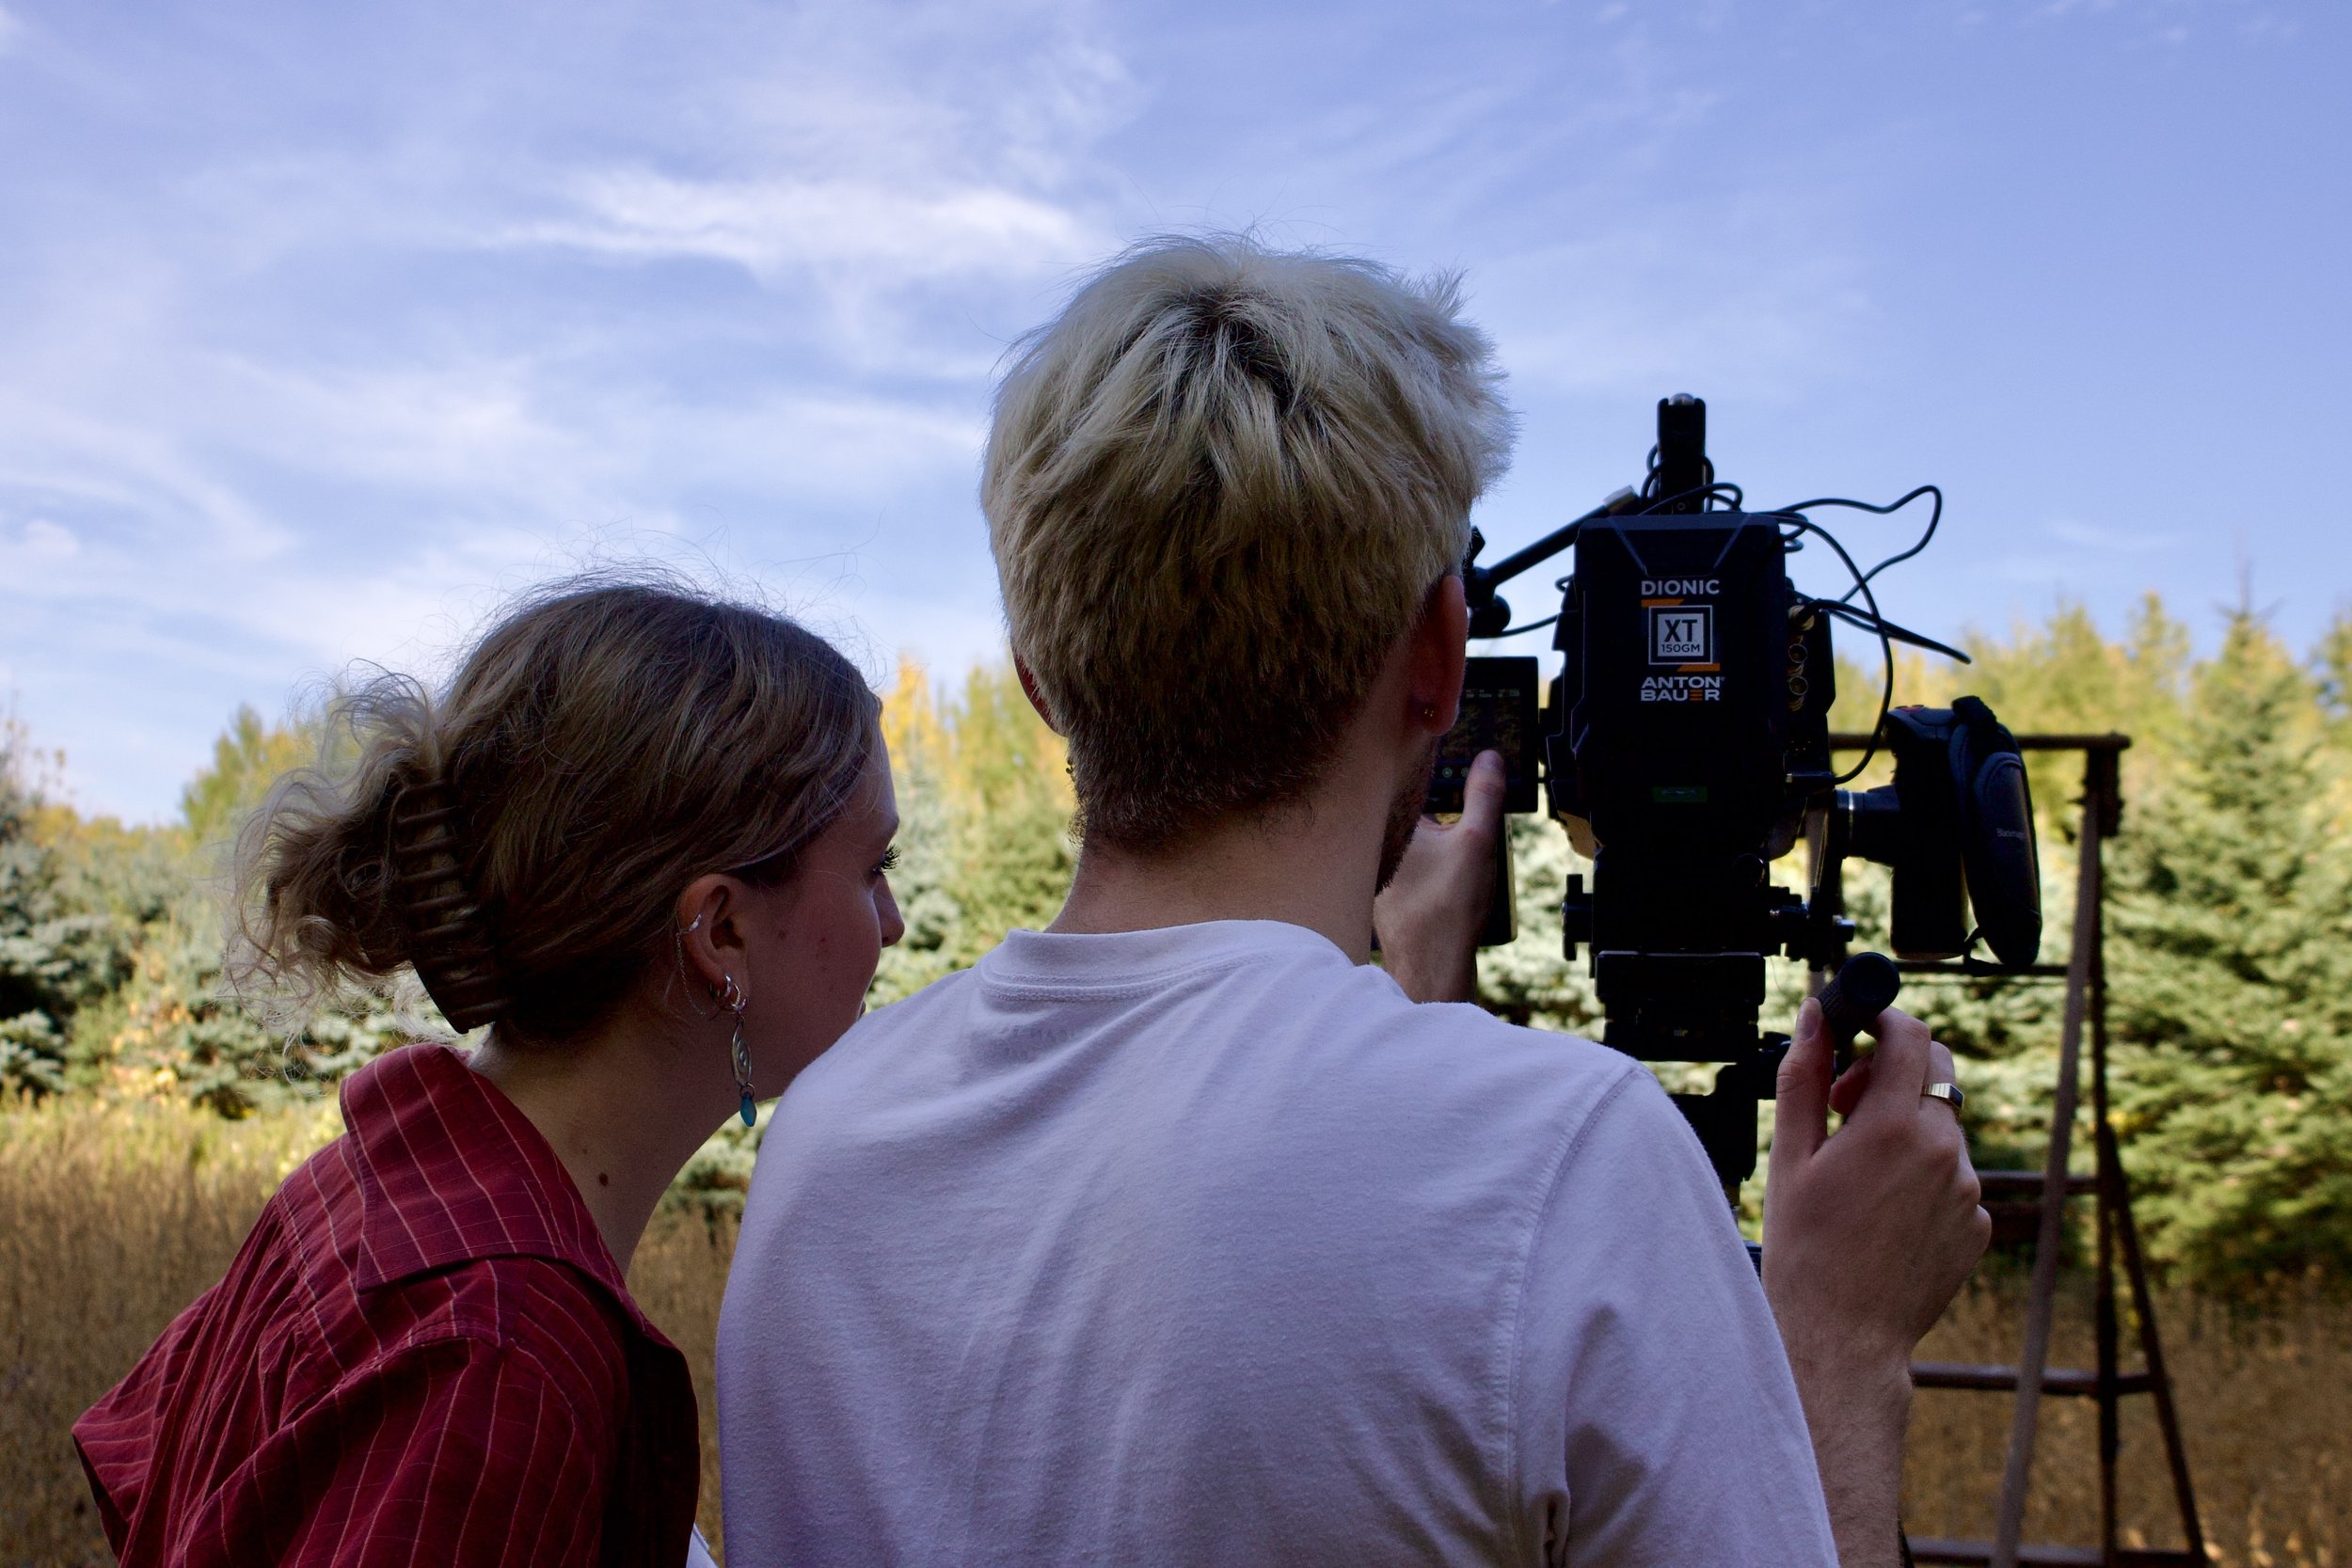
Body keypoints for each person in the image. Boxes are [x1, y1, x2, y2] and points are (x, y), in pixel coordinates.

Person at [718, 237, 1989, 1567]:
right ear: (1439, 661)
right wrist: (1839, 1355)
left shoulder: (825, 1145)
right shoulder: (1568, 1165)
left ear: (1039, 678)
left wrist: (1401, 1001)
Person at [74, 577, 904, 1568]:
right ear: (721, 929)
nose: (892, 923)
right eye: (872, 868)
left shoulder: (370, 1191)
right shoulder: (498, 1345)